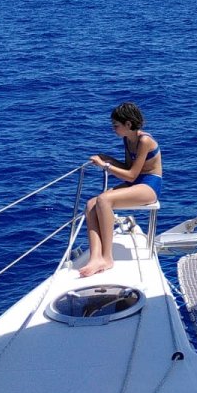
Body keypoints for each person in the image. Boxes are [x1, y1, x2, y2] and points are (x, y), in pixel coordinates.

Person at [80, 102, 163, 277]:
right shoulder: (128, 139)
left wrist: (105, 166)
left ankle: (107, 258)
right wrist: (107, 159)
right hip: (136, 182)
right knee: (91, 204)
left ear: (128, 124)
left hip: (149, 185)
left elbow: (131, 175)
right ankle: (95, 257)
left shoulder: (144, 141)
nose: (114, 129)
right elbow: (127, 167)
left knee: (104, 200)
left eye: (116, 125)